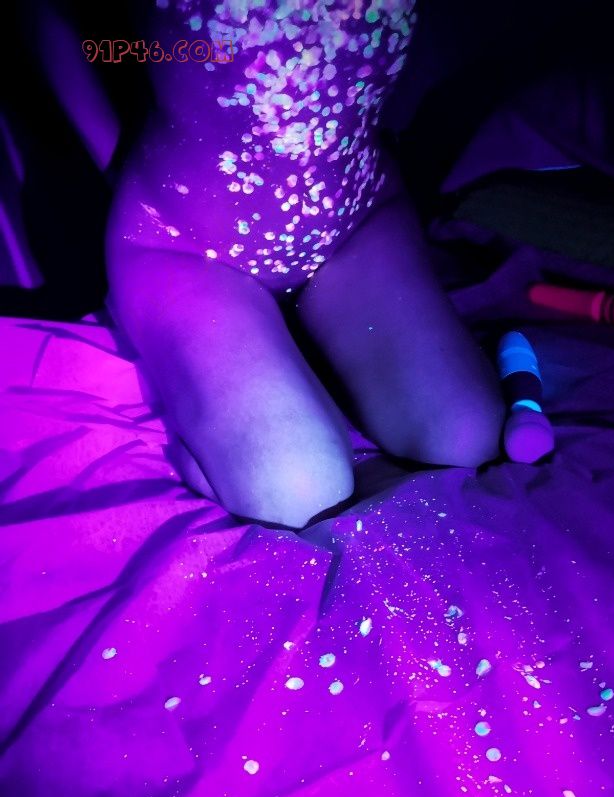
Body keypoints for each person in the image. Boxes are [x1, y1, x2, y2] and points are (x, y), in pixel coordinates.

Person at [107, 0, 504, 527]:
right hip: (184, 243)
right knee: (297, 490)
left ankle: (296, 362)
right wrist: (107, 163)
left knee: (467, 436)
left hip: (358, 221)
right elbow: (82, 38)